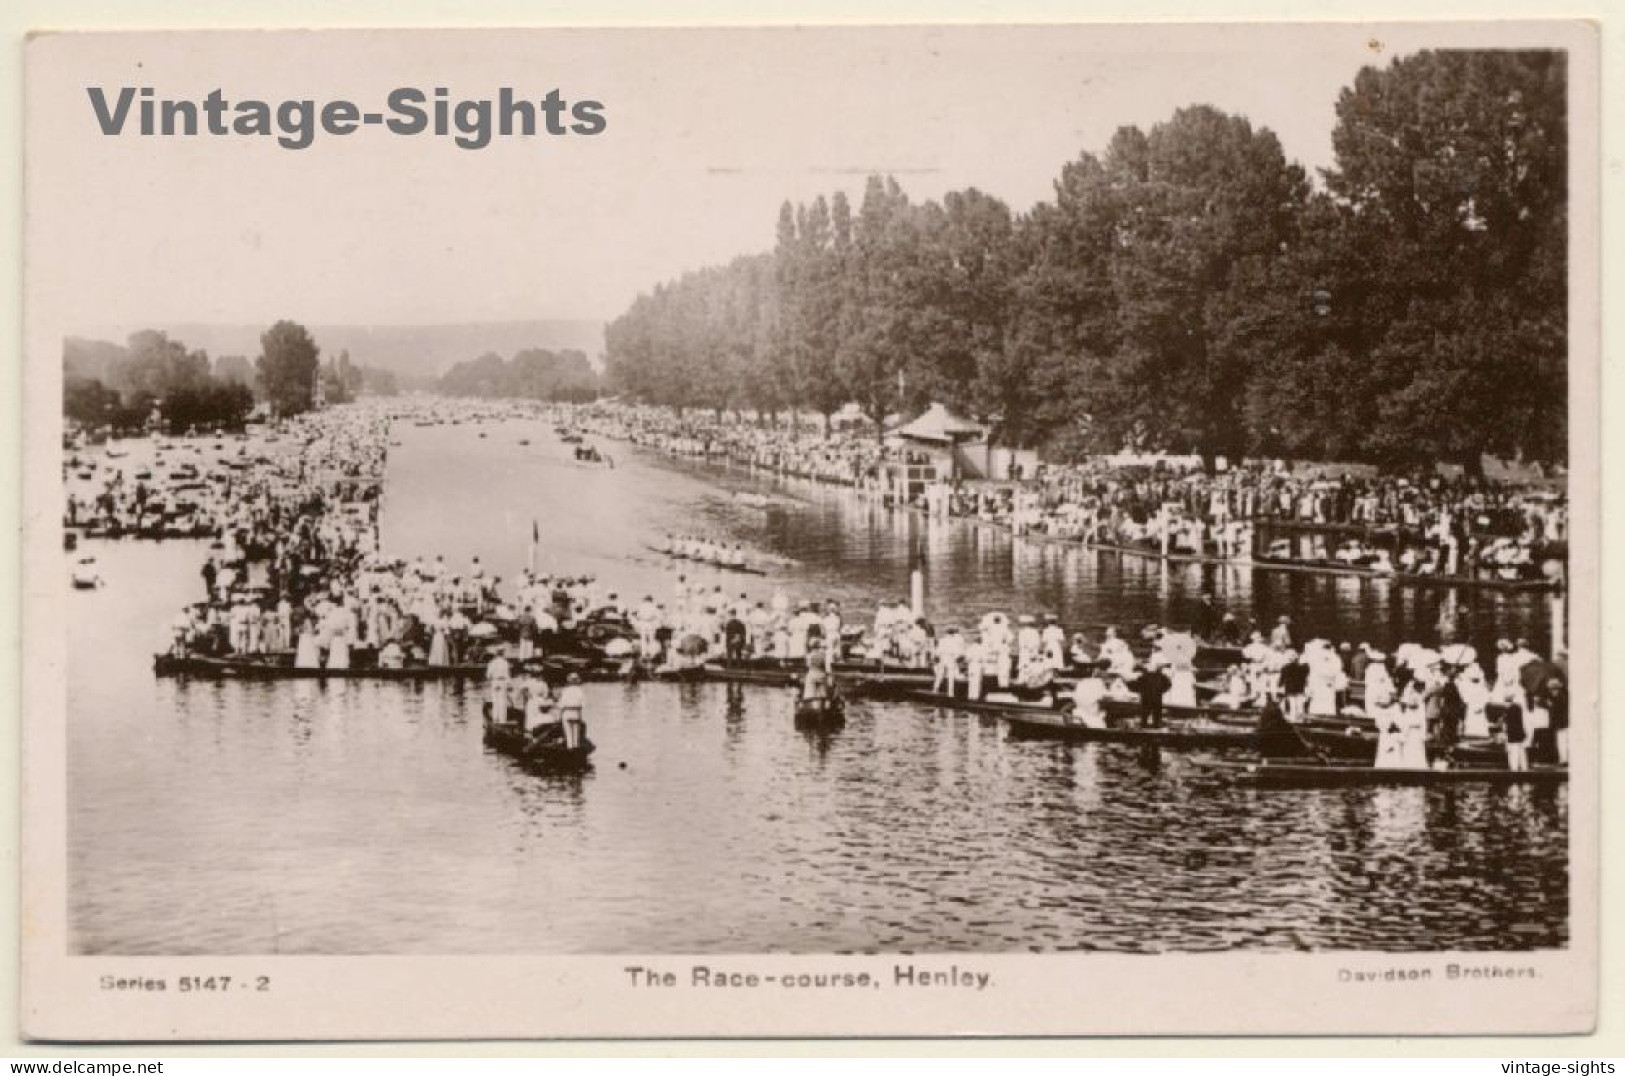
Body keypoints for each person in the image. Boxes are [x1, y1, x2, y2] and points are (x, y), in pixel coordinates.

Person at [1130, 661, 1172, 729]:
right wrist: (1161, 691)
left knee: (1144, 716)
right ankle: (1156, 727)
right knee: (1157, 716)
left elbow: (1135, 687)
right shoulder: (1161, 677)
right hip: (1157, 698)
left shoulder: (1143, 677)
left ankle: (1144, 728)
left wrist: (1140, 691)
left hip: (1146, 699)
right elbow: (1168, 685)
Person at [1540, 677, 1569, 765]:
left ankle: (1564, 759)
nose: (1550, 692)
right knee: (1562, 742)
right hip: (1561, 724)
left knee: (1562, 742)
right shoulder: (1560, 697)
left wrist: (1549, 705)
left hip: (1561, 724)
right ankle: (1563, 759)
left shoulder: (1560, 698)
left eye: (1551, 689)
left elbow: (1556, 710)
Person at [557, 673, 586, 749]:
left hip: (567, 713)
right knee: (576, 736)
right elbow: (583, 705)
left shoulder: (565, 691)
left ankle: (570, 749)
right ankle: (576, 750)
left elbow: (561, 705)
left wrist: (559, 716)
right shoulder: (580, 691)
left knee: (569, 736)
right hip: (576, 713)